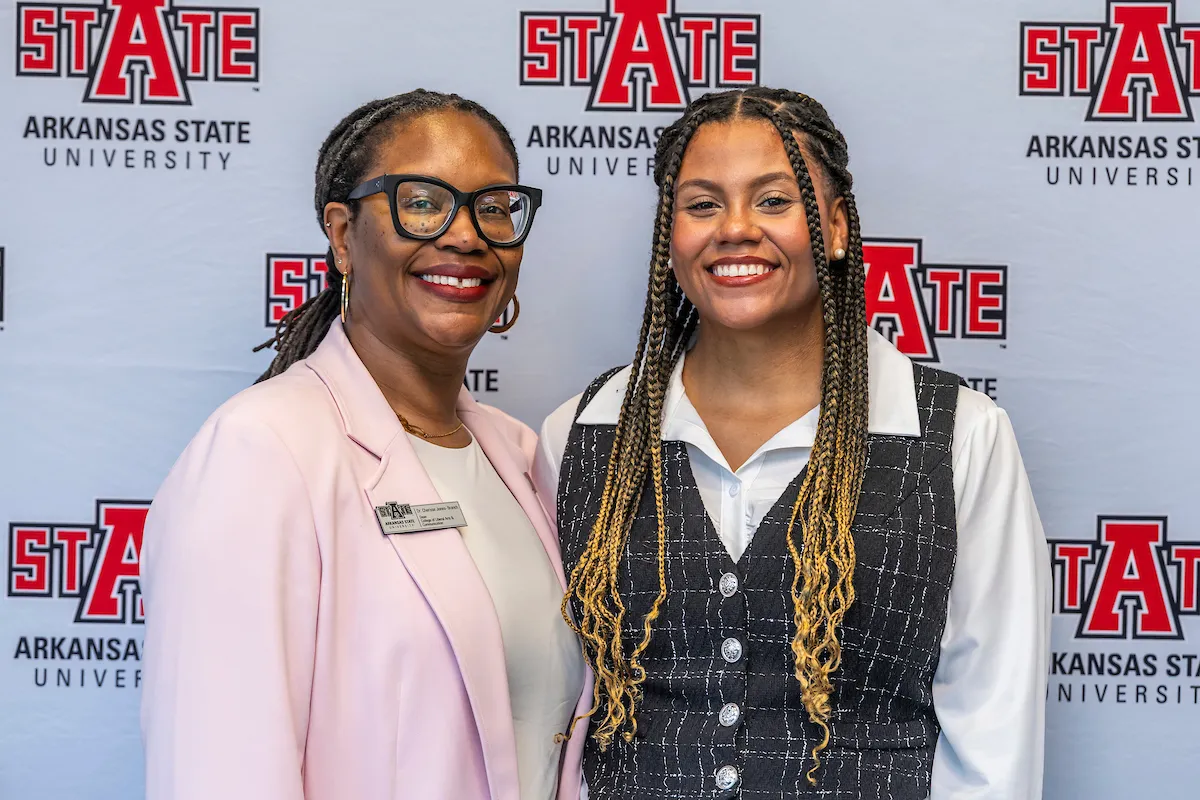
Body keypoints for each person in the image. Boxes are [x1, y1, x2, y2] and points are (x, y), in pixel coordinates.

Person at [535, 87, 1050, 799]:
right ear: (670, 232)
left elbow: (994, 735)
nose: (736, 228)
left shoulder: (961, 435)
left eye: (774, 200)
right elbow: (552, 712)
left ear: (835, 227)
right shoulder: (582, 432)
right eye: (703, 204)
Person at [141, 89, 587, 800]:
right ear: (344, 236)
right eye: (422, 202)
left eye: (495, 206)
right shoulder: (263, 451)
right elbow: (220, 771)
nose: (467, 236)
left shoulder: (520, 457)